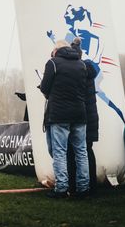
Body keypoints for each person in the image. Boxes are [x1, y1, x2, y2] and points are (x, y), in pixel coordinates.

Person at [39, 39, 89, 198]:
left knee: (59, 152)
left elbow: (45, 87)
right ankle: (83, 188)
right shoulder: (81, 64)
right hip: (79, 113)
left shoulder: (52, 63)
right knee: (81, 152)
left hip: (59, 114)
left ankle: (61, 188)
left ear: (56, 51)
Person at [67, 37, 99, 194]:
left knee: (75, 152)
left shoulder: (77, 70)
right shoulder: (88, 69)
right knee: (88, 151)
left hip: (80, 116)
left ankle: (75, 185)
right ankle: (90, 184)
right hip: (91, 116)